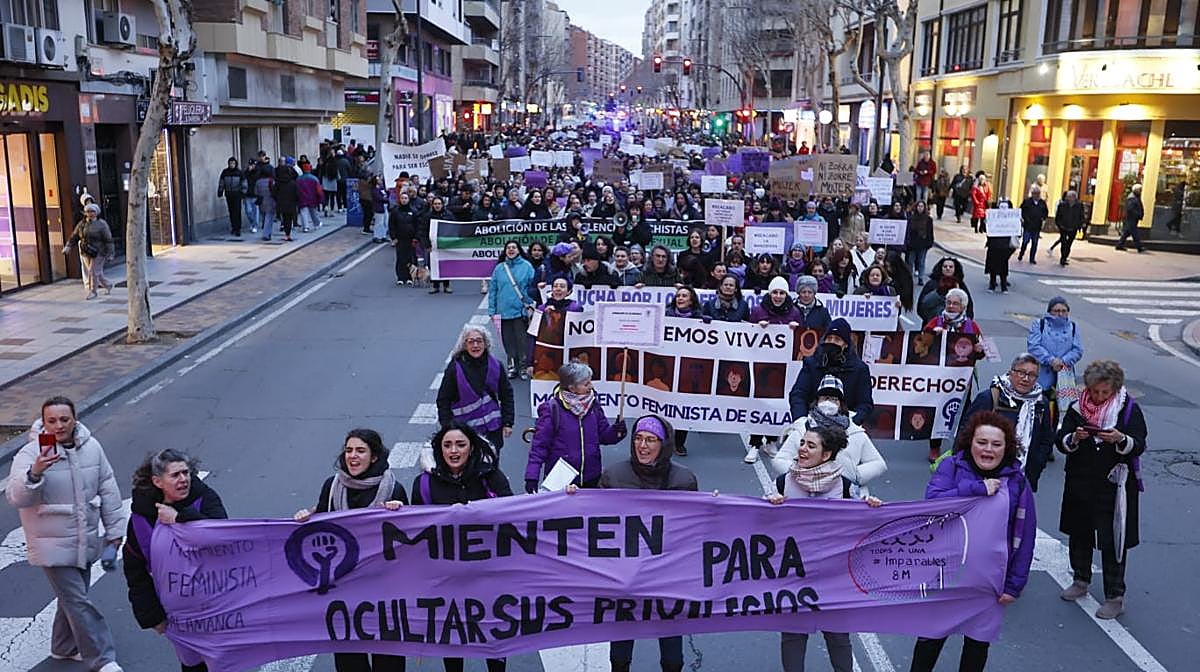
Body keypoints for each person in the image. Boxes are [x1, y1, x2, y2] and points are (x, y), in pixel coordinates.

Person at [6, 396, 125, 672]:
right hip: (50, 542)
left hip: (85, 537)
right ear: (43, 422)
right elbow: (16, 497)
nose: (58, 426)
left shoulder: (92, 447)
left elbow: (107, 487)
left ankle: (63, 647)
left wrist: (115, 532)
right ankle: (102, 658)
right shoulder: (29, 453)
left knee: (71, 597)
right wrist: (35, 473)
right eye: (52, 421)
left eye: (64, 419)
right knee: (78, 600)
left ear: (75, 419)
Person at [912, 412, 1036, 672]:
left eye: (996, 444)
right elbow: (932, 503)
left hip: (988, 581)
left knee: (977, 646)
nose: (988, 449)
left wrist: (1014, 584)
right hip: (945, 576)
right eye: (982, 442)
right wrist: (975, 488)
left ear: (1007, 447)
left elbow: (1025, 536)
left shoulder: (1017, 482)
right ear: (970, 442)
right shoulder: (951, 467)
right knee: (929, 640)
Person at [766, 424, 880, 672]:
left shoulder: (847, 487)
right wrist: (769, 506)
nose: (802, 449)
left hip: (833, 576)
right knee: (793, 635)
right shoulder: (784, 483)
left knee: (838, 636)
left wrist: (870, 509)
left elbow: (862, 529)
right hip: (795, 574)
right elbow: (764, 529)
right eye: (802, 443)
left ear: (826, 455)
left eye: (810, 445)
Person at [599, 415, 697, 672]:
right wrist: (573, 499)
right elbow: (594, 522)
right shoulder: (613, 476)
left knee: (671, 645)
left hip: (667, 576)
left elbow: (695, 529)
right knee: (621, 643)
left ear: (663, 444)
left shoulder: (684, 480)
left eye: (651, 439)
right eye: (638, 438)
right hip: (625, 575)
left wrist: (715, 506)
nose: (642, 445)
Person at [412, 423, 511, 672]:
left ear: (471, 448)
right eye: (447, 445)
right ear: (439, 450)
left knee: (494, 635)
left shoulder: (492, 477)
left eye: (460, 444)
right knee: (454, 638)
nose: (453, 450)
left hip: (489, 574)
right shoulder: (424, 484)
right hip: (447, 577)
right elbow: (413, 530)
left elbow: (514, 516)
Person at [1056, 360, 1146, 620]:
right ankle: (1080, 580)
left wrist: (1121, 439)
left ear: (1114, 389)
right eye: (1095, 391)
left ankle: (1115, 596)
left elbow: (1139, 443)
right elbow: (1060, 440)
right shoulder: (1076, 408)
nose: (1098, 396)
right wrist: (1073, 438)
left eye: (1104, 392)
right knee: (1079, 531)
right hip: (1080, 481)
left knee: (1113, 539)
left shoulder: (1127, 410)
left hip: (1115, 485)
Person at [124, 449, 229, 672]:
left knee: (223, 662)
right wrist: (152, 615)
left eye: (186, 472)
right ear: (157, 481)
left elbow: (222, 536)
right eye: (175, 475)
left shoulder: (205, 498)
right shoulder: (141, 519)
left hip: (216, 605)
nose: (183, 480)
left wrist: (180, 518)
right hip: (179, 615)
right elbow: (135, 569)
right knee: (193, 664)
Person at [769, 376, 887, 498]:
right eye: (825, 398)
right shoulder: (802, 428)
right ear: (817, 401)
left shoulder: (855, 432)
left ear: (841, 404)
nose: (829, 402)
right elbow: (780, 459)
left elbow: (878, 463)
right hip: (802, 493)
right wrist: (801, 475)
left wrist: (855, 475)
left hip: (844, 493)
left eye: (834, 399)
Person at [955, 354, 1055, 490]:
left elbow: (1046, 439)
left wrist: (1037, 465)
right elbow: (964, 435)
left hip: (1022, 479)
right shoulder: (989, 398)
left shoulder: (1041, 403)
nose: (1025, 379)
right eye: (1021, 373)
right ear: (1011, 372)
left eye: (1031, 375)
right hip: (985, 478)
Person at [526, 362, 627, 492]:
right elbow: (539, 446)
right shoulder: (551, 409)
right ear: (572, 388)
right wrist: (532, 477)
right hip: (563, 481)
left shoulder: (593, 405)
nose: (591, 386)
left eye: (590, 382)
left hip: (591, 477)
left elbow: (604, 436)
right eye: (586, 384)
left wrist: (617, 430)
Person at [436, 325, 515, 463]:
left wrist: (508, 422)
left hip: (493, 431)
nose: (475, 345)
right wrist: (448, 428)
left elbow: (507, 394)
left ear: (486, 343)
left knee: (491, 467)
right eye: (471, 341)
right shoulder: (455, 369)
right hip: (466, 433)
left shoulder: (496, 365)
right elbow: (443, 400)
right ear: (464, 345)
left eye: (479, 341)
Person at [788, 317, 874, 426]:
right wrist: (801, 420)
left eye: (837, 340)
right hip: (812, 422)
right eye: (829, 338)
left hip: (846, 424)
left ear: (846, 344)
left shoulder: (860, 369)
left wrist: (852, 422)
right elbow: (798, 394)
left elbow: (865, 403)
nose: (832, 342)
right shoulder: (811, 364)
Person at [1027, 297, 1084, 430]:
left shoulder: (1073, 327)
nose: (1060, 314)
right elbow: (1033, 346)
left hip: (1063, 376)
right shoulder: (1039, 324)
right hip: (1041, 375)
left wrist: (1062, 361)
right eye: (1056, 310)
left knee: (1057, 410)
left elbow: (1078, 350)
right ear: (1049, 311)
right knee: (1039, 407)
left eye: (1064, 311)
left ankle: (1051, 437)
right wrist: (1051, 360)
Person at [489, 241, 537, 378]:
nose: (511, 250)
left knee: (522, 341)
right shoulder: (499, 268)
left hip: (520, 311)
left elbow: (532, 287)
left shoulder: (527, 266)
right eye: (508, 248)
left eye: (514, 247)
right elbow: (493, 290)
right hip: (503, 311)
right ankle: (512, 366)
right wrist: (492, 310)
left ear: (519, 250)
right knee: (508, 340)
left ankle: (523, 366)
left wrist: (530, 304)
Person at [65, 203, 115, 299]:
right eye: (88, 211)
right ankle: (107, 285)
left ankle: (93, 291)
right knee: (96, 271)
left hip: (100, 251)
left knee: (92, 271)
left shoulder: (102, 224)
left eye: (92, 211)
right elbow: (74, 236)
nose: (90, 213)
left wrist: (110, 253)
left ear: (97, 213)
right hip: (87, 251)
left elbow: (108, 240)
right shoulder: (82, 224)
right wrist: (68, 246)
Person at [388, 191, 419, 285]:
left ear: (408, 199)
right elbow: (391, 225)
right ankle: (401, 277)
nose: (404, 200)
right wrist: (393, 237)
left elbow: (417, 225)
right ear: (399, 199)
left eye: (406, 198)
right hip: (400, 239)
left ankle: (410, 277)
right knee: (401, 258)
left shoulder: (413, 211)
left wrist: (416, 237)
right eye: (402, 198)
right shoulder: (395, 211)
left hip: (411, 239)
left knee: (411, 258)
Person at [1050, 190, 1085, 266]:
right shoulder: (1062, 205)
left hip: (1073, 228)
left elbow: (1081, 216)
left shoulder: (1079, 205)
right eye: (1068, 197)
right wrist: (1059, 225)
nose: (1068, 198)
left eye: (1070, 197)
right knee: (1063, 243)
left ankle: (1065, 257)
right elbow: (1058, 216)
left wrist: (1079, 225)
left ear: (1074, 198)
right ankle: (1062, 258)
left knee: (1069, 244)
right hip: (1063, 227)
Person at [1017, 185, 1049, 263]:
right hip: (1028, 225)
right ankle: (1021, 254)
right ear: (1032, 193)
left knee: (1034, 243)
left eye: (1038, 193)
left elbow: (1045, 212)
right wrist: (1022, 219)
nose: (1037, 195)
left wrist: (1043, 219)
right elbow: (1021, 210)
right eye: (1035, 193)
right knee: (1025, 242)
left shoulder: (1042, 203)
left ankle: (1032, 258)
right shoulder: (1027, 201)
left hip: (1037, 226)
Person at [216, 157, 245, 237]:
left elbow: (244, 182)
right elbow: (221, 182)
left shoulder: (239, 172)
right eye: (230, 163)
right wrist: (220, 191)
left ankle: (238, 228)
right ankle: (233, 227)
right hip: (229, 194)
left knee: (237, 211)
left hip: (237, 194)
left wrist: (243, 192)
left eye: (233, 163)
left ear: (235, 164)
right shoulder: (225, 172)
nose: (232, 165)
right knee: (231, 211)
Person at [904, 200, 934, 278]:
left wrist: (930, 242)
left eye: (922, 206)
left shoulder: (928, 219)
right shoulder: (911, 218)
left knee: (921, 261)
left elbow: (930, 232)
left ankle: (921, 277)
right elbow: (908, 231)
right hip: (912, 244)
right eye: (919, 206)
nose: (920, 208)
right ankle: (909, 277)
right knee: (910, 261)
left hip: (923, 243)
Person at [273, 162, 301, 241]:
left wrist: (277, 199)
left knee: (284, 219)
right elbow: (297, 194)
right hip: (291, 204)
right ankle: (288, 234)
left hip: (281, 203)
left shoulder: (278, 183)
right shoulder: (292, 183)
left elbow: (274, 193)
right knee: (289, 218)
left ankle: (286, 233)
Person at [1115, 183, 1146, 253]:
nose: (1141, 191)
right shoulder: (1132, 198)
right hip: (1131, 218)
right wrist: (1138, 214)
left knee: (1127, 232)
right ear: (1136, 190)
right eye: (1140, 190)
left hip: (1133, 218)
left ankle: (1119, 245)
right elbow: (1130, 209)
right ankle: (1139, 247)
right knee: (1135, 233)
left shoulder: (1135, 197)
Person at [296, 164, 324, 233]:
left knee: (303, 212)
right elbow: (319, 190)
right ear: (310, 169)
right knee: (313, 212)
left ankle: (306, 227)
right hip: (312, 198)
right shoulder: (314, 178)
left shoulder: (299, 179)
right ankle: (317, 223)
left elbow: (296, 189)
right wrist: (321, 198)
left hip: (302, 198)